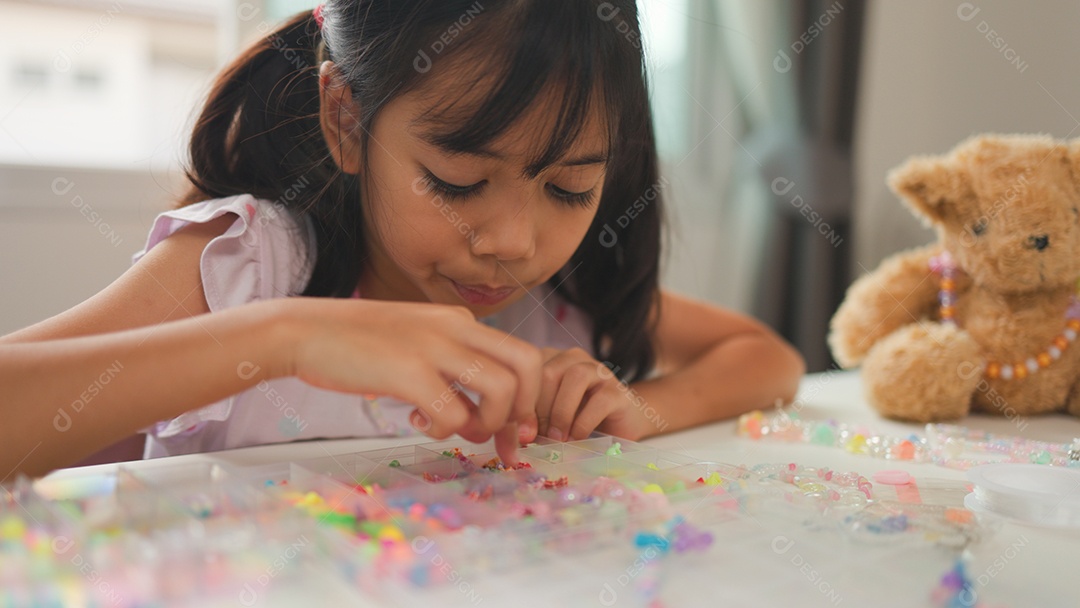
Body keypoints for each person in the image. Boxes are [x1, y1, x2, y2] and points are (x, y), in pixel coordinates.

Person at [0, 0, 804, 479]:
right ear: (346, 118)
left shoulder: (557, 302)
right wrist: (287, 338)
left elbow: (769, 359)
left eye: (569, 189)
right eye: (456, 183)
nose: (512, 242)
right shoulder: (253, 266)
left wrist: (637, 407)